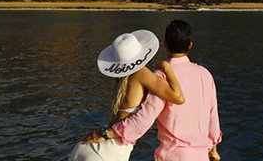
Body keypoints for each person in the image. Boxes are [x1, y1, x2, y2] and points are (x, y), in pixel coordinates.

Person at [95, 20, 222, 161]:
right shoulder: (205, 74)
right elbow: (212, 116)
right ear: (190, 45)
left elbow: (145, 118)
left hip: (173, 156)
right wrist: (213, 150)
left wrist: (109, 133)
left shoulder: (161, 77)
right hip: (202, 156)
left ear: (165, 44)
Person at [68, 29, 185, 161]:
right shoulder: (142, 73)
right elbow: (178, 98)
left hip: (86, 148)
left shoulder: (121, 78)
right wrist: (167, 68)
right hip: (108, 154)